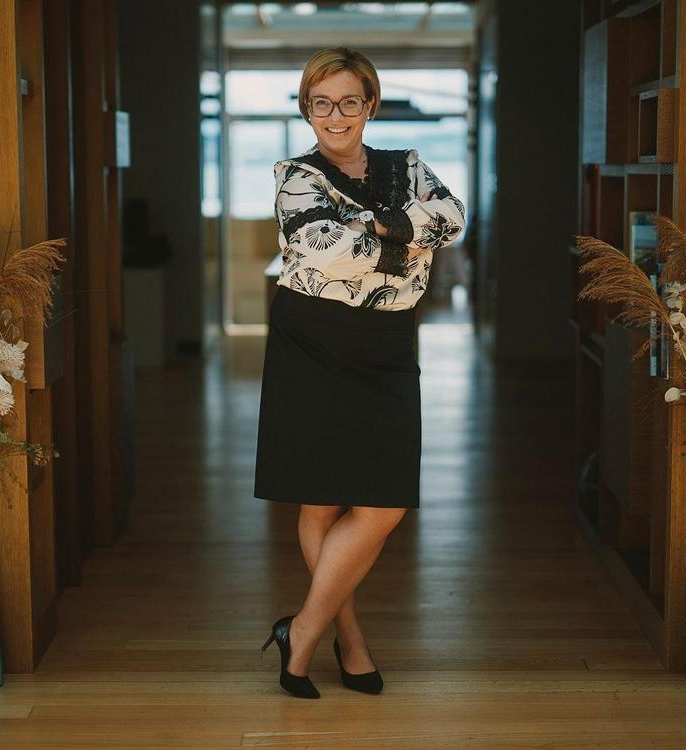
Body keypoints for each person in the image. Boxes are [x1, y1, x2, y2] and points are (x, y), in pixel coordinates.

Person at [253, 46, 466, 699]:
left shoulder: (408, 165)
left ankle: (302, 628)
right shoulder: (295, 176)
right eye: (321, 103)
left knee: (383, 503)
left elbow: (453, 218)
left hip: (388, 344)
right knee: (321, 498)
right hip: (312, 340)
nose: (336, 115)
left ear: (370, 104)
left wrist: (371, 225)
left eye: (349, 101)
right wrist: (406, 234)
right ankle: (347, 642)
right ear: (306, 110)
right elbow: (323, 248)